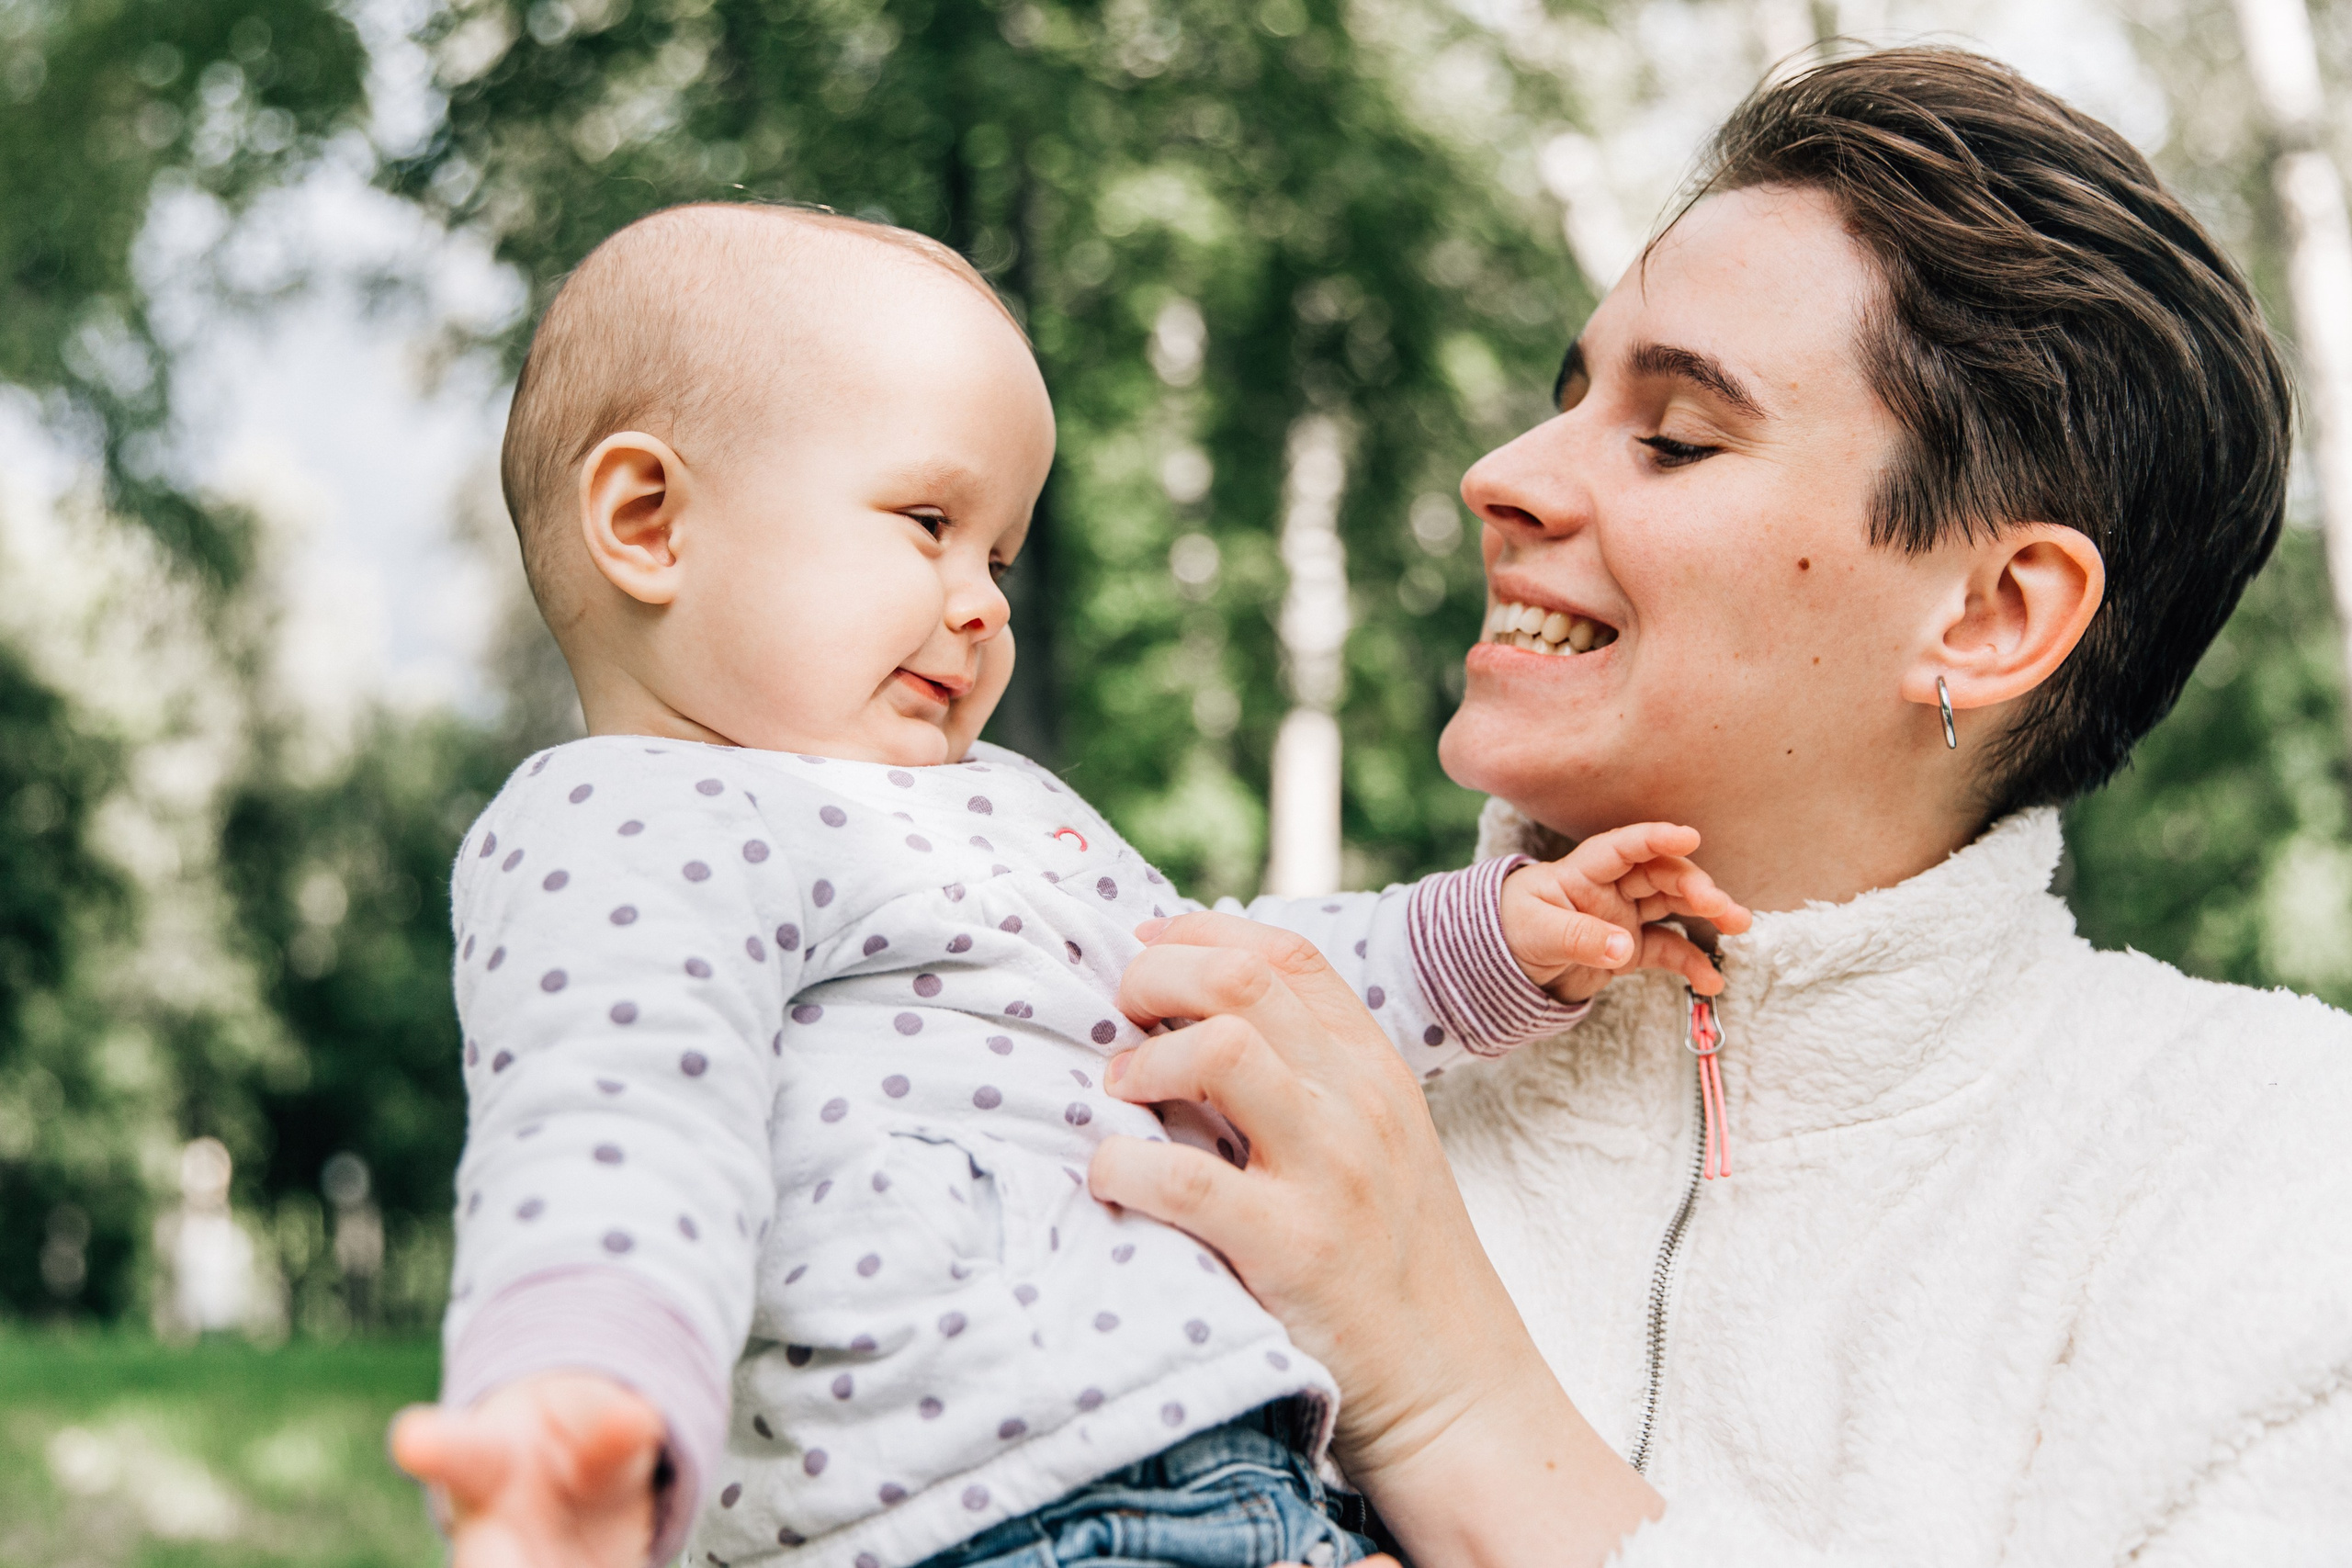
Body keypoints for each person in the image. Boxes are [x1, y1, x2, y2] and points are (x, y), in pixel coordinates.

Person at [1083, 47, 2352, 1568]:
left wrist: (1450, 1396)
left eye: (1677, 436)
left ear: (1993, 614)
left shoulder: (2270, 1168)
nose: (1502, 475)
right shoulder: (1223, 1056)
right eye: (1567, 401)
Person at [387, 202, 1753, 1568]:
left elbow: (1229, 987)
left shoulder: (998, 807)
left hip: (1253, 1489)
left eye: (998, 554)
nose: (985, 604)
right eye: (927, 522)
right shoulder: (625, 813)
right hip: (982, 1511)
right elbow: (613, 1118)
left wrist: (1491, 939)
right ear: (648, 521)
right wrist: (580, 1398)